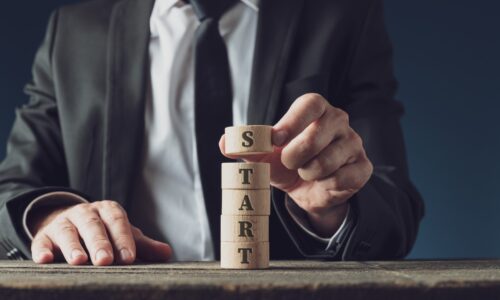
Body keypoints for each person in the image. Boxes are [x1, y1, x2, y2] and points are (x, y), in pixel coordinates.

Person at [0, 0, 424, 265]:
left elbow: (395, 205)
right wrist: (53, 217)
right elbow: (12, 188)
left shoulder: (342, 15)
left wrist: (329, 211)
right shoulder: (73, 33)